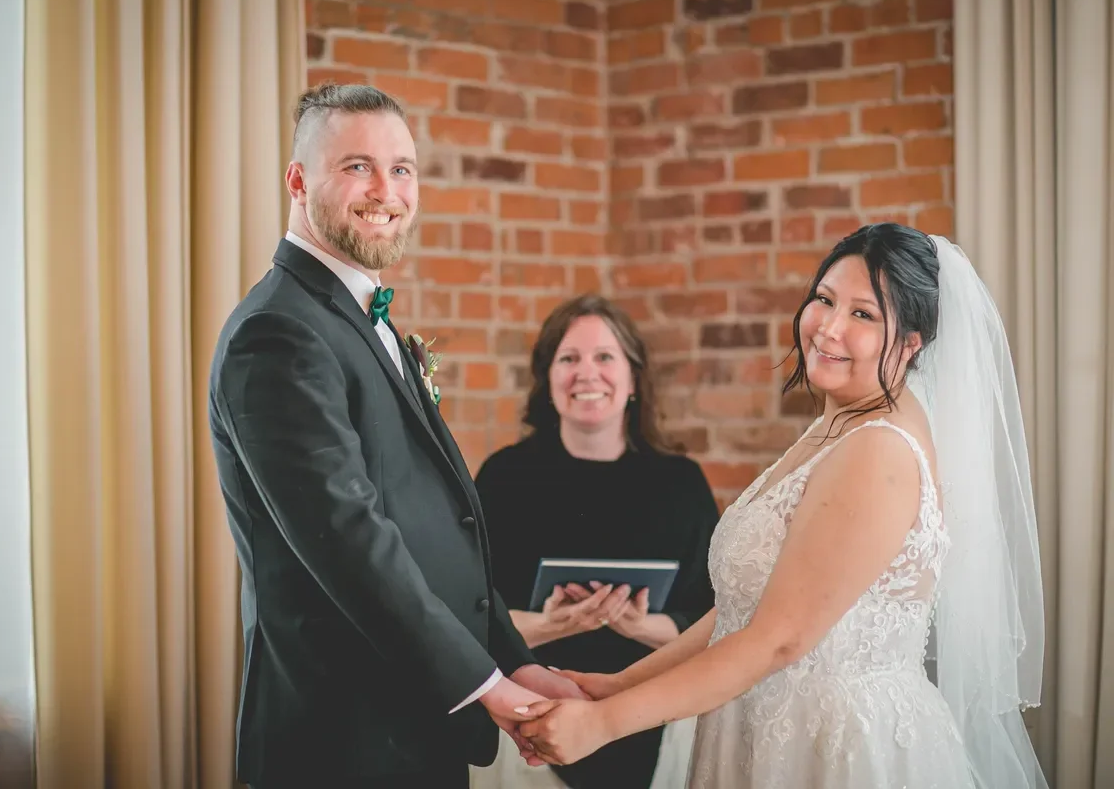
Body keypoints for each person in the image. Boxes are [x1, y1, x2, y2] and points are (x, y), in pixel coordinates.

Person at [516, 223, 1048, 789]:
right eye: (824, 299)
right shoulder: (834, 425)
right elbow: (744, 610)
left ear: (911, 342)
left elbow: (778, 638)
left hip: (832, 746)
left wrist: (604, 723)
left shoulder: (879, 450)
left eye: (863, 315)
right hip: (760, 723)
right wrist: (621, 685)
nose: (829, 328)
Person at [206, 82, 583, 789]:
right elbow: (351, 542)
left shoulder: (358, 319)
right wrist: (490, 687)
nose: (387, 189)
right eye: (357, 166)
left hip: (418, 720)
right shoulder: (277, 334)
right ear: (297, 180)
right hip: (341, 740)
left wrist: (515, 659)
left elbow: (429, 532)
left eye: (402, 168)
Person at [473, 295, 720, 788]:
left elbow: (714, 618)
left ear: (633, 379)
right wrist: (545, 626)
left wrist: (642, 626)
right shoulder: (504, 478)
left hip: (654, 721)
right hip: (531, 723)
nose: (587, 374)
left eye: (605, 357)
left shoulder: (681, 483)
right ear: (547, 380)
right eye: (569, 359)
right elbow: (472, 612)